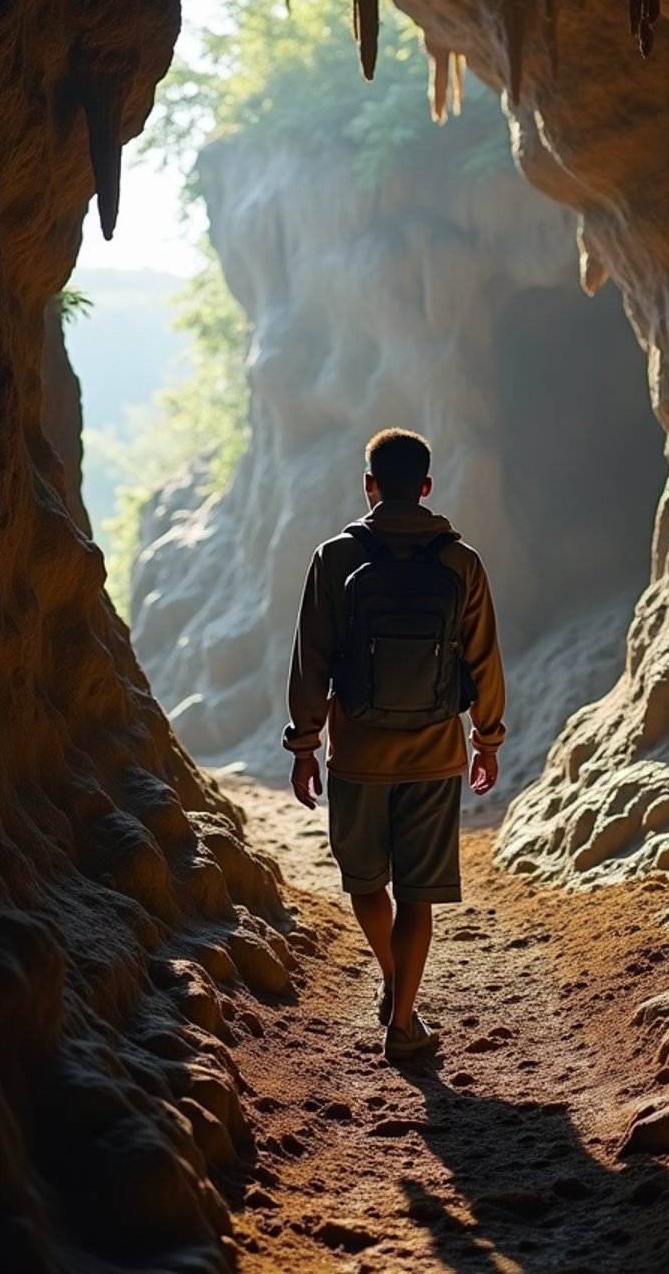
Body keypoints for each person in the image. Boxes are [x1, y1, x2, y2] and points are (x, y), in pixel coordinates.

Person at [284, 427, 506, 1062]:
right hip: (436, 753)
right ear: (428, 487)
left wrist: (304, 745)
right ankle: (403, 1020)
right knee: (417, 893)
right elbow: (486, 660)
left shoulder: (334, 558)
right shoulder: (461, 562)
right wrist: (486, 738)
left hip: (356, 752)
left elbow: (311, 661)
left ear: (369, 485)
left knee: (365, 882)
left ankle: (391, 980)